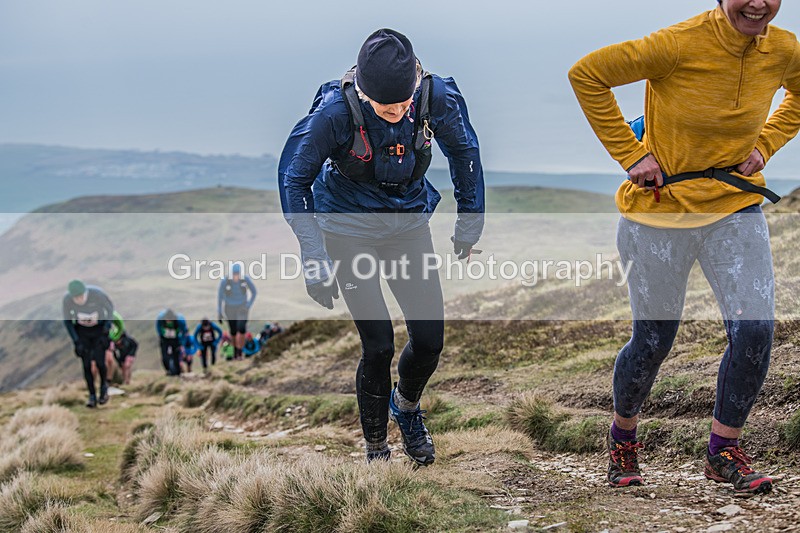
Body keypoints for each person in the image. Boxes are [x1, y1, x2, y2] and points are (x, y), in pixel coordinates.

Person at [569, 0, 799, 493]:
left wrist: (767, 144)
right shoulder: (676, 43)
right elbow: (586, 74)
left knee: (755, 331)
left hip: (734, 208)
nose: (758, 3)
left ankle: (722, 452)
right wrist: (632, 155)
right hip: (657, 213)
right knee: (654, 341)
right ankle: (624, 439)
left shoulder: (783, 47)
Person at [279, 29, 484, 464]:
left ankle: (406, 408)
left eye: (403, 104)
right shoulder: (334, 113)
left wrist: (469, 222)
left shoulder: (435, 97)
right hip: (347, 229)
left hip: (406, 223)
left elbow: (465, 151)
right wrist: (314, 259)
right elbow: (294, 180)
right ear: (363, 93)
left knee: (430, 340)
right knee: (379, 346)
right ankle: (376, 449)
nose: (396, 114)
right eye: (385, 108)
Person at [62, 279, 114, 408]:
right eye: (76, 298)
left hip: (98, 331)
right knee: (86, 366)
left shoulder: (98, 295)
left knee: (100, 362)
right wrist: (76, 340)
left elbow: (110, 310)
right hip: (82, 333)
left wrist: (106, 330)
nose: (79, 300)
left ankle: (103, 388)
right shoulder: (67, 300)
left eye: (81, 296)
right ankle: (92, 395)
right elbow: (67, 321)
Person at [217, 264, 257, 360]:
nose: (236, 276)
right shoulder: (225, 281)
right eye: (234, 274)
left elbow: (254, 292)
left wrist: (248, 305)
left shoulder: (245, 279)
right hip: (229, 307)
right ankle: (235, 351)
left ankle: (240, 351)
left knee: (241, 328)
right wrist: (219, 311)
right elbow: (220, 296)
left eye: (237, 274)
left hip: (242, 307)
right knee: (233, 331)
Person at [155, 309, 188, 376]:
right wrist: (161, 336)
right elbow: (158, 327)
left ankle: (178, 372)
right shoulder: (160, 318)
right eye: (167, 320)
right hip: (164, 338)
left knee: (176, 354)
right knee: (164, 356)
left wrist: (181, 343)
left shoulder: (180, 320)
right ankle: (168, 370)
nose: (168, 322)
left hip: (175, 338)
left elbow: (184, 332)